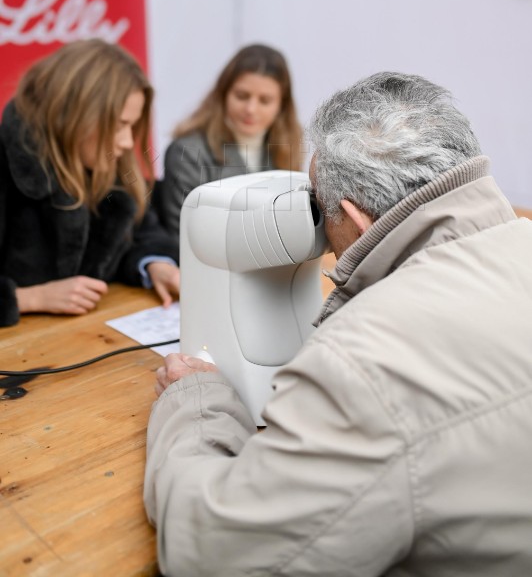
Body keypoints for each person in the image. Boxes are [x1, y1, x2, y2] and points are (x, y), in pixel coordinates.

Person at [144, 72, 532, 577]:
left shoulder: (366, 365)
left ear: (353, 215)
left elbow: (217, 554)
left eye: (323, 213)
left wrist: (196, 402)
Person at [0, 39, 180, 327]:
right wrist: (30, 298)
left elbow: (143, 232)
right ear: (74, 115)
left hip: (90, 345)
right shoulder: (7, 164)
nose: (126, 141)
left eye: (131, 125)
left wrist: (156, 264)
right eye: (118, 124)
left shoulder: (108, 159)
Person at [157, 43, 302, 246]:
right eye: (242, 96)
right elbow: (183, 237)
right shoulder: (187, 152)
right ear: (223, 94)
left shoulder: (288, 148)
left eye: (265, 100)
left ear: (282, 105)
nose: (251, 109)